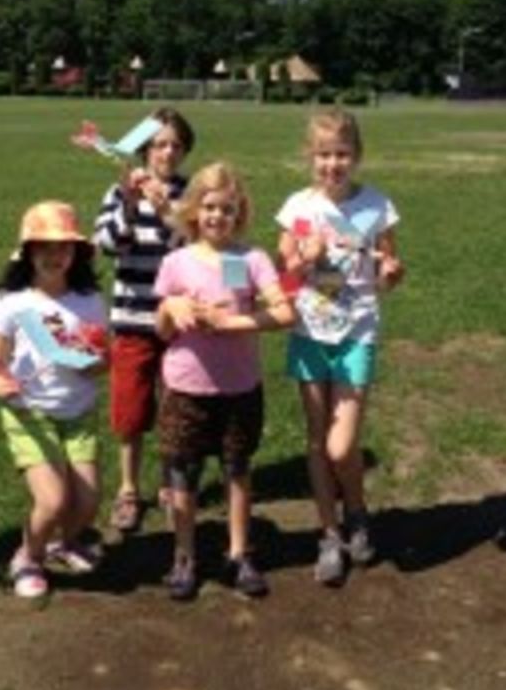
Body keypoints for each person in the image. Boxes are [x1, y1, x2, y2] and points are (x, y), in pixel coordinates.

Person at [153, 162, 294, 600]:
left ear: (240, 213)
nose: (217, 216)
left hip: (238, 387)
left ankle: (239, 553)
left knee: (237, 469)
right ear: (194, 210)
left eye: (227, 209)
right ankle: (184, 556)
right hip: (185, 387)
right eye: (210, 207)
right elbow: (161, 331)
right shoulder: (176, 262)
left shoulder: (250, 260)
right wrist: (171, 309)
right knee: (183, 474)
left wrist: (230, 322)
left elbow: (284, 312)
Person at [275, 109, 404, 586]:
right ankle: (330, 532)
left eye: (342, 154)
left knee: (341, 444)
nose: (333, 164)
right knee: (317, 440)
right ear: (310, 156)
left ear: (357, 155)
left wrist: (391, 273)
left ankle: (357, 508)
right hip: (310, 333)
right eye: (324, 154)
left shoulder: (377, 206)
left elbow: (387, 269)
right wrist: (302, 259)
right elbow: (284, 275)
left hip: (356, 333)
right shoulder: (297, 207)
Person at [0, 201, 110, 599]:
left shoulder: (89, 301)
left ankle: (66, 543)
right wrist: (0, 381)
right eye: (43, 246)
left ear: (77, 253)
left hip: (79, 411)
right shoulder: (12, 301)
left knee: (87, 502)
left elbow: (101, 360)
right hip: (30, 413)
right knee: (53, 501)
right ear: (27, 252)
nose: (54, 255)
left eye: (63, 247)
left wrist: (86, 361)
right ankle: (29, 556)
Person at [93, 107, 195, 534]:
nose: (167, 153)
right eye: (158, 145)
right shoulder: (120, 192)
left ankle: (172, 485)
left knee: (176, 409)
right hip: (131, 319)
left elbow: (195, 246)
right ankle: (129, 489)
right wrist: (132, 207)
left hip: (177, 323)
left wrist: (168, 209)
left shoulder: (192, 192)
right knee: (130, 410)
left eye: (175, 145)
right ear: (143, 150)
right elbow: (106, 244)